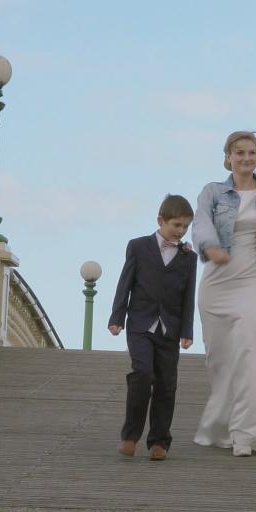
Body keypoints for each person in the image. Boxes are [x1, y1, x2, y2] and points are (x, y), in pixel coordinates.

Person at [193, 131, 256, 457]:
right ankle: (223, 426)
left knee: (249, 351)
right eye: (240, 152)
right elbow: (200, 224)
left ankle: (245, 433)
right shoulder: (213, 192)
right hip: (218, 280)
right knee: (220, 360)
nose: (247, 158)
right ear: (228, 157)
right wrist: (210, 247)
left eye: (252, 152)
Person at [107, 194, 198, 462]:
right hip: (140, 323)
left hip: (170, 329)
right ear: (161, 220)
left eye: (185, 227)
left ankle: (159, 440)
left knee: (166, 384)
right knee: (142, 373)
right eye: (176, 225)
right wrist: (117, 317)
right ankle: (130, 436)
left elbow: (188, 296)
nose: (180, 231)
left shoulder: (188, 257)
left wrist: (187, 331)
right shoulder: (138, 247)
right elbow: (125, 283)